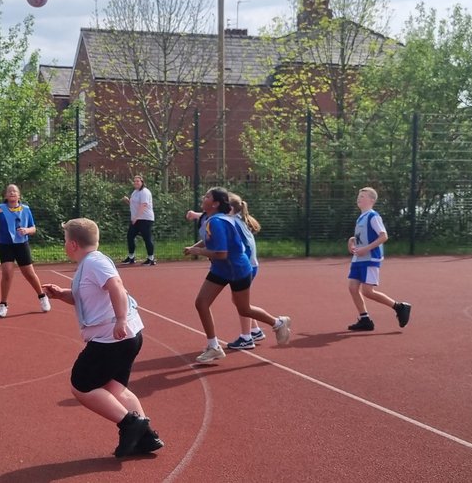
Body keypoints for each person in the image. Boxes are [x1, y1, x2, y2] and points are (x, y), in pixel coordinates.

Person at [41, 218, 163, 457]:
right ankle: (146, 437)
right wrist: (62, 294)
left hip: (112, 337)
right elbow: (89, 296)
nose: (64, 244)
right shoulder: (89, 264)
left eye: (65, 240)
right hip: (125, 337)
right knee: (114, 387)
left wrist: (120, 319)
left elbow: (116, 286)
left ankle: (131, 423)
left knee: (81, 385)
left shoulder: (95, 262)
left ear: (74, 244)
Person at [184, 187, 291, 363]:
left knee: (244, 309)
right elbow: (211, 240)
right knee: (201, 303)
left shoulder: (217, 222)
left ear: (216, 203)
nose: (203, 198)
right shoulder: (216, 219)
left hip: (236, 269)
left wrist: (197, 251)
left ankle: (278, 323)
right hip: (222, 269)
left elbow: (221, 253)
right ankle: (213, 347)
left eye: (207, 196)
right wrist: (196, 246)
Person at [346, 187, 412, 331]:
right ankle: (365, 320)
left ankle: (400, 307)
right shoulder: (361, 218)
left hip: (370, 259)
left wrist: (366, 249)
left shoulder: (373, 216)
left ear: (372, 200)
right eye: (359, 196)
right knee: (352, 288)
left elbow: (383, 236)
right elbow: (360, 238)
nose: (359, 198)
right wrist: (351, 241)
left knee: (367, 291)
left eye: (363, 196)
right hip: (358, 259)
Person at [0, 184, 51, 317]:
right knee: (7, 273)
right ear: (6, 195)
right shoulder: (0, 209)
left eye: (14, 191)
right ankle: (3, 304)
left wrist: (26, 230)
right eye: (9, 191)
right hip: (5, 244)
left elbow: (33, 228)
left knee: (29, 273)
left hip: (21, 244)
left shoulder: (25, 209)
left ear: (19, 195)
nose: (12, 193)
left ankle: (42, 296)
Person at [223, 193, 269, 351]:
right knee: (238, 301)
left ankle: (246, 337)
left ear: (229, 208)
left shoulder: (231, 223)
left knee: (241, 303)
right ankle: (255, 331)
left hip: (245, 265)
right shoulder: (239, 219)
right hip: (251, 264)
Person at [120, 175, 156, 265]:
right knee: (130, 236)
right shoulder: (135, 192)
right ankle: (131, 257)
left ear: (142, 182)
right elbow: (134, 205)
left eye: (138, 181)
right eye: (134, 181)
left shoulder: (145, 192)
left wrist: (136, 217)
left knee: (147, 238)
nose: (136, 183)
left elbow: (143, 205)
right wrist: (127, 201)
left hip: (145, 219)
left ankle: (151, 258)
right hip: (136, 219)